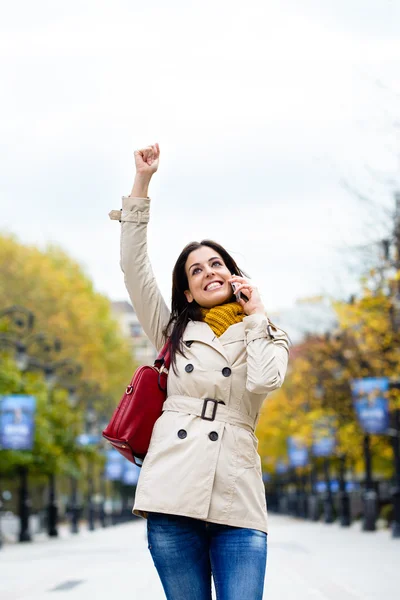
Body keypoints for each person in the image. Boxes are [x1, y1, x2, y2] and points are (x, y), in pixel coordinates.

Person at [111, 143, 290, 600]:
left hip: (237, 495)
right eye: (196, 270)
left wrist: (257, 315)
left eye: (217, 263)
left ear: (233, 274)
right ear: (187, 291)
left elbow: (266, 380)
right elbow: (135, 269)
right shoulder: (170, 330)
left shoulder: (264, 331)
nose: (208, 271)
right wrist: (142, 184)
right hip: (173, 492)